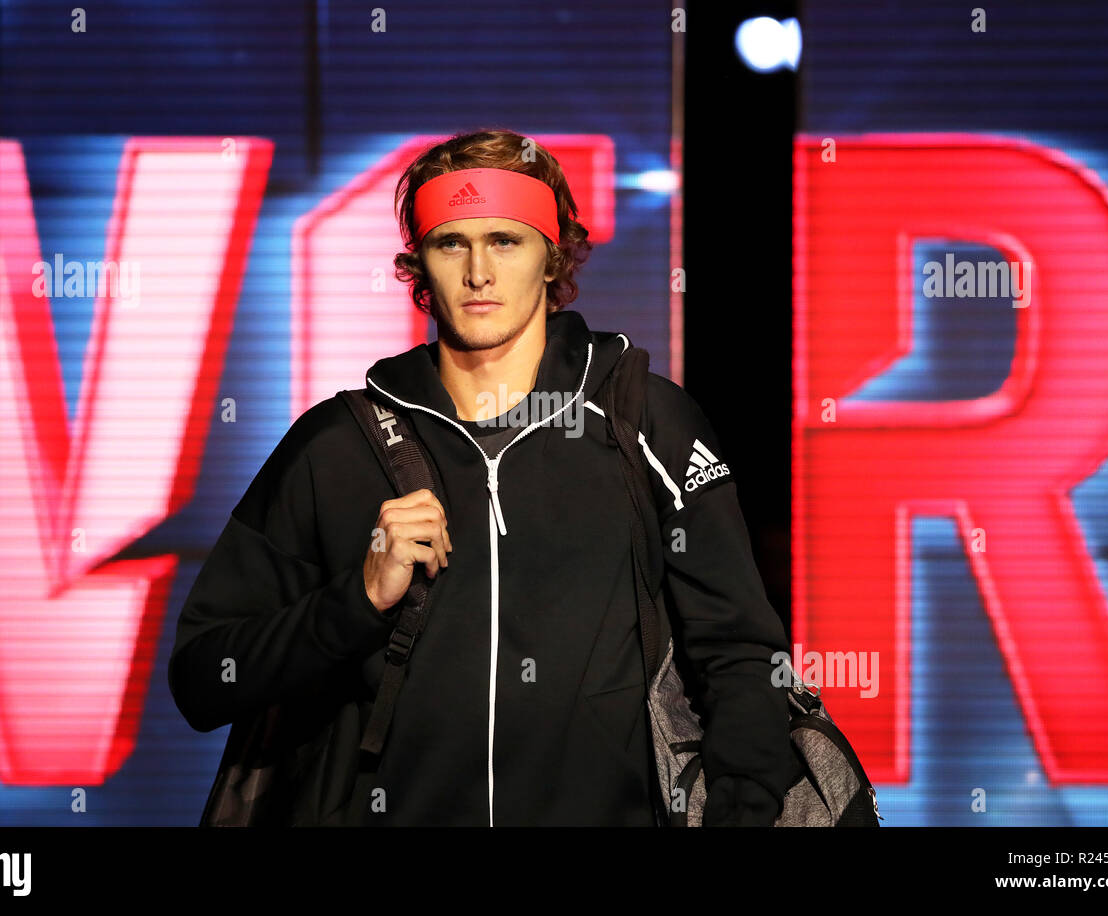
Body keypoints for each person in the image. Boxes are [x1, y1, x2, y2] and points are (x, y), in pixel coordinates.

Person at [167, 128, 798, 826]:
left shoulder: (644, 421)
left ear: (552, 255)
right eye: (450, 242)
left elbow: (741, 653)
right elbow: (202, 678)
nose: (478, 272)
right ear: (418, 264)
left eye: (505, 240)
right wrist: (357, 600)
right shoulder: (335, 445)